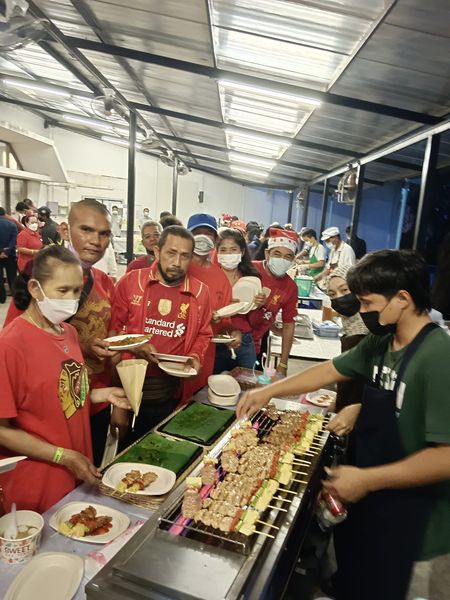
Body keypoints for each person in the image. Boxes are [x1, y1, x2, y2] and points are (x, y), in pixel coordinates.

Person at [237, 249, 450, 600]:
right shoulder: (383, 343)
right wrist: (268, 392)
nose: (362, 311)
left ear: (402, 298)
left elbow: (444, 457)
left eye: (368, 302)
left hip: (420, 532)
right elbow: (330, 370)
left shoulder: (438, 357)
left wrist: (367, 479)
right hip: (375, 511)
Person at [0, 245, 130, 513]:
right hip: (38, 477)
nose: (71, 299)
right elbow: (2, 429)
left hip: (75, 466)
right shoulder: (11, 345)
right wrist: (62, 455)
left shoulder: (69, 333)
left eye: (76, 291)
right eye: (62, 291)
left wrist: (103, 394)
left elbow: (66, 395)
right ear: (35, 289)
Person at [5, 199, 118, 465]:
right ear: (66, 230)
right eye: (86, 230)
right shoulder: (41, 276)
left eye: (103, 234)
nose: (95, 241)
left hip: (90, 401)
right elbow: (20, 346)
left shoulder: (105, 284)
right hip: (42, 421)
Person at [110, 225, 212, 444]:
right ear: (157, 251)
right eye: (171, 253)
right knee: (121, 451)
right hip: (128, 387)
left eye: (185, 256)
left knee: (159, 448)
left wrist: (195, 357)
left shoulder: (201, 292)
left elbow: (204, 333)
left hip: (170, 392)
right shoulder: (131, 282)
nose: (177, 263)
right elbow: (113, 331)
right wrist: (135, 345)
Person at [184, 215, 241, 394]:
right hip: (173, 350)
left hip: (204, 354)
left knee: (193, 403)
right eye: (197, 233)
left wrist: (232, 333)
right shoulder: (178, 266)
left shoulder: (220, 277)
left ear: (215, 240)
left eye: (208, 234)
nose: (202, 238)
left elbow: (223, 320)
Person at [214, 228, 266, 373]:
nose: (228, 254)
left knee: (245, 386)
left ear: (242, 252)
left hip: (244, 342)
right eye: (223, 250)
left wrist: (259, 306)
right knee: (212, 388)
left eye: (233, 249)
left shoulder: (251, 280)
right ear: (217, 252)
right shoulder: (211, 277)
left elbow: (256, 322)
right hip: (216, 341)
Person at [249, 228, 299, 377]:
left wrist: (283, 364)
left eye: (288, 256)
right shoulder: (250, 269)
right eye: (277, 254)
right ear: (267, 253)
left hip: (256, 343)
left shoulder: (291, 288)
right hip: (231, 336)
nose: (282, 259)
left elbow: (289, 325)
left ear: (292, 260)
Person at [327, 265, 368, 411]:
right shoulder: (350, 330)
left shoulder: (367, 333)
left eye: (345, 290)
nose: (339, 297)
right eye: (332, 294)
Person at [0, 207, 17, 304]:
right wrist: (6, 251)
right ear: (4, 214)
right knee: (12, 277)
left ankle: (2, 298)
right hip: (10, 255)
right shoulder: (12, 225)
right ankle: (15, 297)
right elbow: (14, 240)